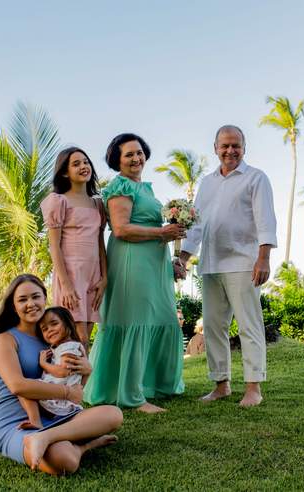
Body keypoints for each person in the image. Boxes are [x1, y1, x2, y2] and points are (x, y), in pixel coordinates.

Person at [176, 125, 278, 408]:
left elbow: (266, 220)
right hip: (211, 264)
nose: (230, 150)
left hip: (244, 263)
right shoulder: (207, 183)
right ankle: (221, 385)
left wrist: (264, 257)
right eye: (225, 146)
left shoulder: (256, 178)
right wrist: (183, 257)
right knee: (212, 327)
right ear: (215, 148)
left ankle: (253, 387)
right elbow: (196, 224)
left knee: (249, 325)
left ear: (244, 148)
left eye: (236, 145)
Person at [83, 133, 186, 413]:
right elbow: (121, 229)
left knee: (161, 317)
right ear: (117, 160)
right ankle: (132, 395)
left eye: (139, 152)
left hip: (155, 263)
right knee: (136, 320)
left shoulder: (146, 189)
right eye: (128, 154)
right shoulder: (120, 186)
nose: (136, 158)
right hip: (132, 262)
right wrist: (162, 232)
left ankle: (157, 384)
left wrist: (171, 255)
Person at [0, 275, 122, 475]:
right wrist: (67, 392)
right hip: (17, 423)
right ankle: (82, 445)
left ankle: (46, 437)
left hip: (58, 415)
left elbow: (73, 384)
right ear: (14, 307)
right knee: (65, 460)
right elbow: (17, 386)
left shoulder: (52, 339)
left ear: (44, 299)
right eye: (22, 300)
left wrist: (86, 370)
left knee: (113, 414)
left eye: (36, 297)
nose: (30, 304)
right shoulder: (4, 340)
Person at [40, 147, 106, 348]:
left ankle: (80, 372)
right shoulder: (59, 201)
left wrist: (105, 278)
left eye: (86, 162)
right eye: (76, 164)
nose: (83, 166)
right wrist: (66, 284)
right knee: (78, 339)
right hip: (71, 275)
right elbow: (54, 246)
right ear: (65, 172)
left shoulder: (97, 204)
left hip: (93, 276)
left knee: (85, 340)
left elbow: (100, 243)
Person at [17, 307, 87, 429]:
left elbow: (63, 371)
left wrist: (43, 363)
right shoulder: (65, 347)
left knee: (25, 389)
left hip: (57, 399)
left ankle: (35, 421)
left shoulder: (69, 348)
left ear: (68, 324)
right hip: (64, 401)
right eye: (44, 329)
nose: (50, 330)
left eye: (54, 324)